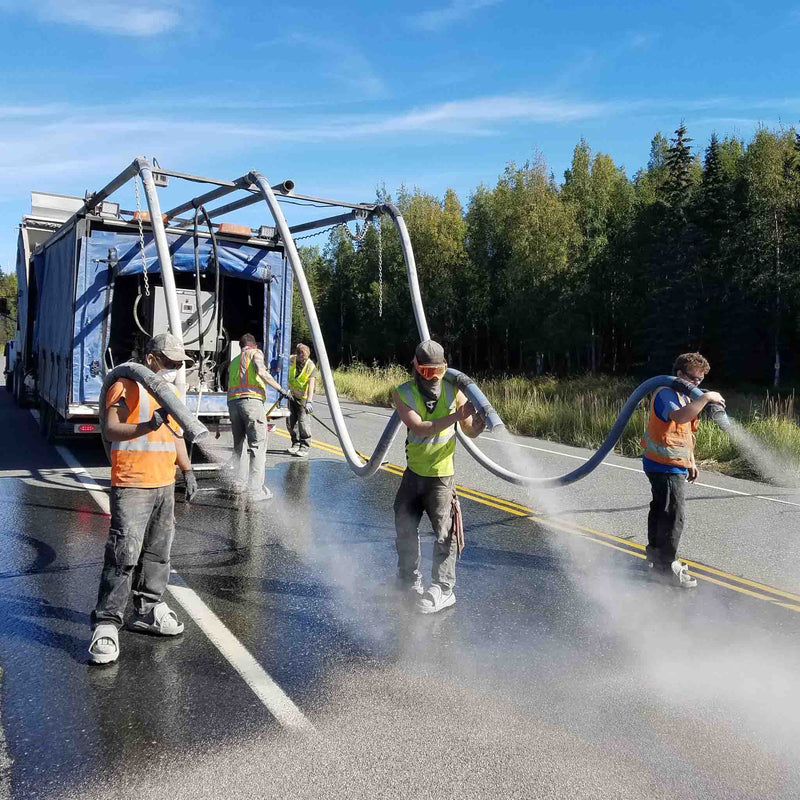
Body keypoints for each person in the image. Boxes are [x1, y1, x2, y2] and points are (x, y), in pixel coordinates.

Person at [88, 332, 199, 665]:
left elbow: (177, 436)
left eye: (179, 364)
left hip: (164, 484)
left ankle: (147, 608)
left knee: (158, 553)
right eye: (169, 363)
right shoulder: (126, 384)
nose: (174, 368)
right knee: (124, 553)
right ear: (151, 359)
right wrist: (147, 425)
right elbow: (111, 429)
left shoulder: (173, 393)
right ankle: (106, 623)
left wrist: (188, 470)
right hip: (133, 483)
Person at [392, 340, 485, 614]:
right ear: (416, 367)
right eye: (426, 372)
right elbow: (419, 428)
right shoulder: (403, 393)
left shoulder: (454, 391)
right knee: (404, 524)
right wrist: (455, 415)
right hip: (413, 474)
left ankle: (444, 588)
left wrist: (480, 420)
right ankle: (408, 578)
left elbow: (468, 430)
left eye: (437, 372)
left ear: (445, 368)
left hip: (441, 477)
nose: (432, 378)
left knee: (445, 533)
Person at [641, 352, 725, 588]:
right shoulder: (667, 393)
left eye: (701, 380)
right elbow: (678, 418)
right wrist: (706, 397)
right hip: (663, 466)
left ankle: (656, 560)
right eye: (694, 379)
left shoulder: (683, 395)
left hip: (672, 464)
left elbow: (683, 433)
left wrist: (691, 460)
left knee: (661, 510)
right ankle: (666, 568)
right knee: (673, 516)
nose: (697, 384)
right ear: (679, 374)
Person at [227, 333, 289, 502]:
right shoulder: (256, 353)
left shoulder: (234, 361)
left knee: (239, 446)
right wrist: (281, 389)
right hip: (251, 403)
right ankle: (255, 491)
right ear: (253, 345)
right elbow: (261, 371)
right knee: (257, 446)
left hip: (233, 405)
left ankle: (238, 484)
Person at [286, 343, 317, 458]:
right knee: (290, 422)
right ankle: (295, 443)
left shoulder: (310, 366)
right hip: (291, 396)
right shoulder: (290, 360)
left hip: (303, 399)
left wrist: (309, 401)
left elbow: (311, 385)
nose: (302, 360)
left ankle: (304, 446)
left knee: (303, 423)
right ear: (297, 354)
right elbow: (283, 372)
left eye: (304, 358)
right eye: (301, 357)